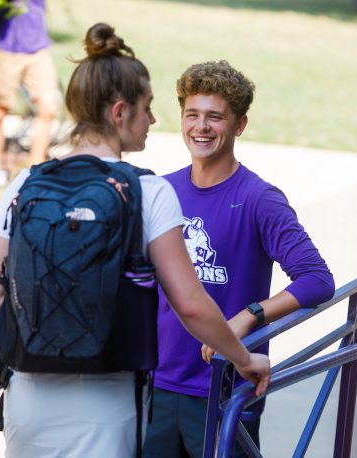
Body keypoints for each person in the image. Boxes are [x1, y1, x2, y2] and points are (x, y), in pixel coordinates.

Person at [0, 24, 270, 457]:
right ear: (119, 112)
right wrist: (244, 358)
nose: (152, 119)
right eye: (146, 108)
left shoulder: (26, 182)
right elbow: (190, 304)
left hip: (26, 397)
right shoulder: (147, 192)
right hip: (105, 401)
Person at [142, 61, 335, 457]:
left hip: (224, 387)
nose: (201, 127)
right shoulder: (162, 191)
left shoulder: (259, 199)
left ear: (239, 125)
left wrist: (251, 314)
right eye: (192, 115)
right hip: (155, 386)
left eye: (216, 117)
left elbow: (317, 279)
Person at [0, 0, 58, 189]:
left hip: (38, 49)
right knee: (0, 110)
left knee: (48, 108)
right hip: (9, 49)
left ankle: (36, 167)